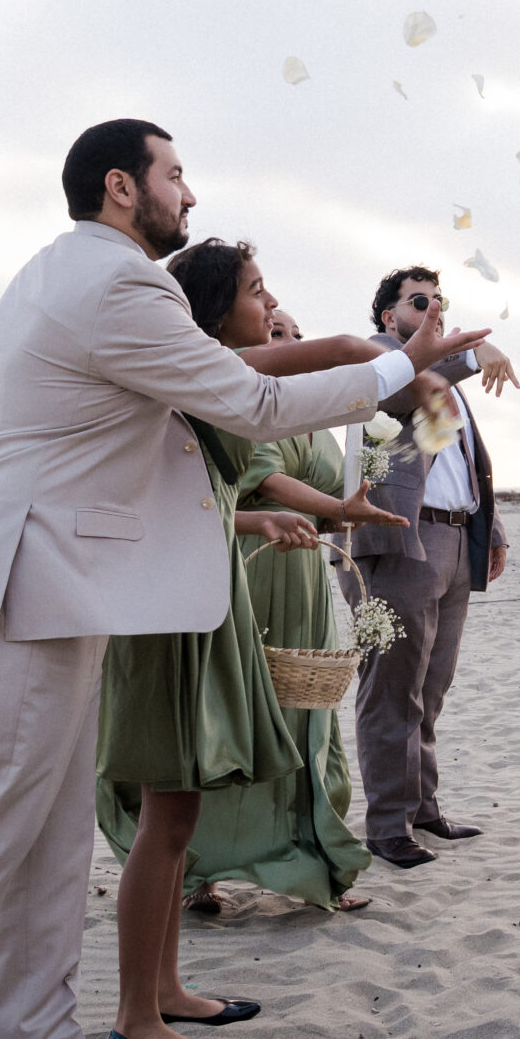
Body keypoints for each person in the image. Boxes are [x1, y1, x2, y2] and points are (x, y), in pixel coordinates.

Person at [0, 120, 479, 1039]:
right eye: (176, 174)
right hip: (19, 584)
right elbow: (251, 405)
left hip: (55, 585)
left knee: (51, 842)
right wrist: (399, 364)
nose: (190, 193)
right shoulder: (117, 284)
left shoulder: (63, 272)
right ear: (122, 187)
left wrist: (379, 355)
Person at [97, 241, 431, 1039]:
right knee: (166, 815)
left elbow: (198, 498)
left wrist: (264, 518)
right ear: (217, 311)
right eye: (256, 290)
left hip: (199, 597)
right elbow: (311, 371)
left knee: (179, 813)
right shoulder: (209, 370)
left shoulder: (208, 374)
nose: (271, 302)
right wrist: (394, 356)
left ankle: (166, 989)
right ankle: (136, 1014)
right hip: (166, 610)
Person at [180, 308, 396, 917]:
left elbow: (330, 494)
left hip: (305, 573)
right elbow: (267, 480)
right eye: (279, 333)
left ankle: (317, 861)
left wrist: (346, 504)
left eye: (299, 334)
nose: (293, 342)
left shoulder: (314, 420)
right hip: (254, 563)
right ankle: (200, 869)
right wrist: (338, 508)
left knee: (308, 716)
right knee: (239, 715)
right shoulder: (242, 405)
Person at [344, 268, 516, 870]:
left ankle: (420, 808)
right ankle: (387, 825)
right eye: (420, 301)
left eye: (440, 300)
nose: (435, 309)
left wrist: (490, 530)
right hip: (400, 541)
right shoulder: (378, 357)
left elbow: (455, 457)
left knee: (431, 685)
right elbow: (396, 391)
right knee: (393, 688)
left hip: (454, 538)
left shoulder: (440, 376)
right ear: (389, 316)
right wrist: (474, 351)